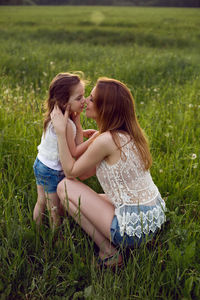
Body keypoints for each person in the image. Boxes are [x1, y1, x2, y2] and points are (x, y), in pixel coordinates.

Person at [50, 77, 166, 267]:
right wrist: (78, 127)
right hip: (153, 216)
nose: (86, 101)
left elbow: (71, 172)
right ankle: (141, 239)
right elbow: (85, 174)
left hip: (132, 228)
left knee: (64, 187)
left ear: (106, 108)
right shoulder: (128, 134)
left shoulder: (106, 140)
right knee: (88, 197)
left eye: (92, 99)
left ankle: (109, 252)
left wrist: (62, 133)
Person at [33, 72, 96, 228]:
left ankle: (37, 229)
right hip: (53, 171)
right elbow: (75, 152)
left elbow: (71, 140)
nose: (84, 100)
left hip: (41, 165)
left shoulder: (55, 116)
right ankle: (56, 240)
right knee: (55, 209)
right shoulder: (66, 125)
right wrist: (94, 139)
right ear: (63, 101)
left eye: (83, 96)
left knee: (41, 201)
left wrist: (79, 128)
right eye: (78, 98)